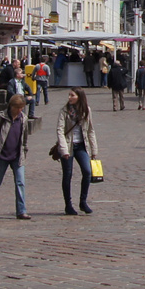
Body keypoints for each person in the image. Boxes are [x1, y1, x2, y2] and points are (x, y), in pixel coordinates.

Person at [55, 88, 98, 216]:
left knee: (87, 171)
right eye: (69, 95)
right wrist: (63, 150)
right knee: (67, 175)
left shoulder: (86, 110)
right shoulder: (64, 111)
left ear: (79, 97)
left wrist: (93, 150)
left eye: (72, 95)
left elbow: (90, 130)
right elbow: (60, 130)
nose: (69, 97)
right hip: (68, 146)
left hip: (81, 146)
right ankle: (68, 205)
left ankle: (83, 201)